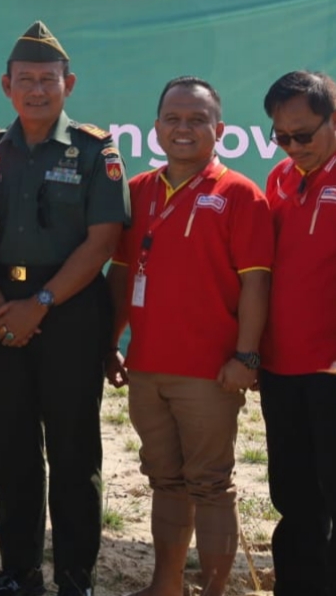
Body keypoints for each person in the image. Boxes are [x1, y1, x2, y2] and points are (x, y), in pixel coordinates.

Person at [0, 22, 130, 596]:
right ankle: (19, 572)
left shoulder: (94, 151)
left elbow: (103, 241)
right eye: (26, 80)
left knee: (72, 451)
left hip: (68, 311)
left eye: (48, 80)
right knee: (10, 448)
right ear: (6, 86)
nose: (37, 90)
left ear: (69, 84)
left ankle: (73, 578)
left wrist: (38, 304)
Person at [105, 76, 272, 596]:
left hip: (210, 373)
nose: (184, 128)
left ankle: (214, 591)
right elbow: (120, 274)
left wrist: (246, 357)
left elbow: (256, 284)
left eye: (197, 120)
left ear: (218, 131)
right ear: (155, 128)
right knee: (165, 480)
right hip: (146, 368)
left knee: (211, 485)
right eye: (173, 119)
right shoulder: (137, 190)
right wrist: (110, 341)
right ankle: (166, 586)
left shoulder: (241, 194)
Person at [258, 70, 336, 595]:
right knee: (293, 497)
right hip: (280, 366)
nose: (293, 147)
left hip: (331, 368)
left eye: (303, 135)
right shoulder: (279, 178)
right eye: (282, 137)